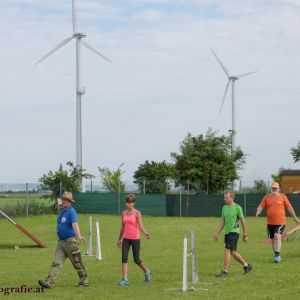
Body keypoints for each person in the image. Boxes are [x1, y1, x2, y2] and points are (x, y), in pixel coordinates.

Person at [38, 192, 88, 288]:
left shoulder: (71, 211)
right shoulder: (61, 211)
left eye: (65, 200)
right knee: (56, 263)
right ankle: (49, 282)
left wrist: (79, 236)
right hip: (61, 242)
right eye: (62, 199)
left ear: (69, 201)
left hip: (71, 242)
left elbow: (74, 224)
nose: (63, 201)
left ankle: (84, 281)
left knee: (77, 263)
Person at [256, 182, 300, 263]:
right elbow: (260, 206)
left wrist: (295, 218)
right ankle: (276, 254)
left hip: (280, 222)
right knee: (272, 239)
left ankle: (277, 255)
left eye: (276, 188)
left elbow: (289, 208)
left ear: (278, 189)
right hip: (270, 223)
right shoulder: (267, 197)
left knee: (277, 235)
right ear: (271, 188)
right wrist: (258, 211)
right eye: (273, 188)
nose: (274, 189)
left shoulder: (283, 197)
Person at [214, 190, 252, 277]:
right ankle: (246, 266)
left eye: (226, 197)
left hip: (234, 232)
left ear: (232, 198)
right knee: (233, 253)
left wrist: (245, 234)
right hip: (227, 233)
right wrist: (217, 233)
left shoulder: (237, 207)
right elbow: (223, 221)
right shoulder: (224, 208)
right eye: (224, 197)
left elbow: (243, 221)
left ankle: (225, 271)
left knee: (227, 250)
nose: (225, 199)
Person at [117, 194, 151, 286]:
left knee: (136, 260)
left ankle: (147, 271)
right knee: (124, 258)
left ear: (133, 203)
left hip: (135, 239)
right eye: (126, 202)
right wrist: (120, 239)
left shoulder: (137, 213)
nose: (127, 204)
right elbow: (123, 227)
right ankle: (125, 279)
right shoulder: (123, 213)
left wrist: (145, 233)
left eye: (129, 203)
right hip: (126, 239)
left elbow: (140, 226)